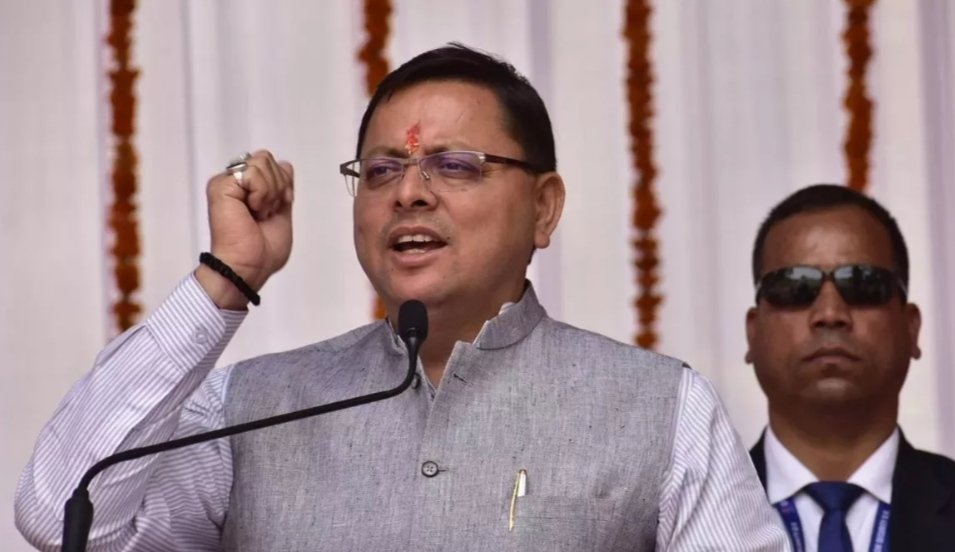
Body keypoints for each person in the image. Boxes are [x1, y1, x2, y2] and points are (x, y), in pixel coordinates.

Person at [16, 44, 788, 551]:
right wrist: (225, 277)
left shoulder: (661, 409)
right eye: (382, 171)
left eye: (455, 165)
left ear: (544, 207)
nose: (409, 192)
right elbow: (64, 517)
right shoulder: (252, 409)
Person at [744, 184, 955, 552]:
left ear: (911, 328)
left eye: (862, 284)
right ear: (753, 332)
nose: (830, 313)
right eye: (795, 286)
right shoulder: (672, 526)